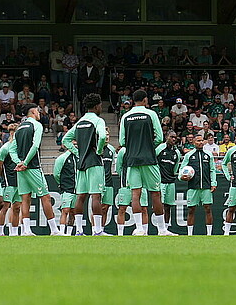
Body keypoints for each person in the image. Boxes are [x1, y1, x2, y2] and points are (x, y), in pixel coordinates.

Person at [118, 89, 168, 236]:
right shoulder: (151, 114)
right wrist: (147, 145)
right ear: (145, 100)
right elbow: (159, 137)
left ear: (133, 101)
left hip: (132, 160)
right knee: (155, 194)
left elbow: (122, 141)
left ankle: (139, 228)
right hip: (149, 159)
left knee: (135, 194)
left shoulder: (126, 116)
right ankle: (162, 229)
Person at [61, 94, 110, 237]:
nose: (101, 108)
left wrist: (78, 153)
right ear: (96, 106)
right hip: (94, 162)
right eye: (100, 105)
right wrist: (100, 150)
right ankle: (97, 230)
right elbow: (102, 137)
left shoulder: (80, 122)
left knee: (80, 197)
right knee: (96, 196)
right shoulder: (98, 120)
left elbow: (66, 139)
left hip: (81, 162)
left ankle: (79, 230)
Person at [9, 103, 60, 236]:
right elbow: (35, 145)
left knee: (25, 198)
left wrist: (18, 162)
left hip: (21, 169)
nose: (39, 113)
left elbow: (11, 149)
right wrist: (25, 162)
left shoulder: (19, 128)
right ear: (32, 112)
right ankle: (54, 230)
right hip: (33, 167)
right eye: (37, 111)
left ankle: (26, 230)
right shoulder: (37, 125)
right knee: (46, 197)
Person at [179, 131, 218, 235]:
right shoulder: (189, 155)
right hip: (193, 187)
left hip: (206, 186)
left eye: (201, 140)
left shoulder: (208, 155)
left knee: (208, 209)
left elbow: (212, 170)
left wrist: (213, 183)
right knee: (191, 210)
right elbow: (182, 169)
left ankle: (209, 234)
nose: (200, 142)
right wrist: (181, 177)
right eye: (198, 141)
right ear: (194, 142)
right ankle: (190, 234)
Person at [157, 131, 183, 232]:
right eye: (171, 137)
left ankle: (166, 228)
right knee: (161, 205)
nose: (173, 139)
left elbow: (175, 168)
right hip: (160, 182)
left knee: (168, 206)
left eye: (175, 138)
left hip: (171, 182)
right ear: (167, 137)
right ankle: (160, 228)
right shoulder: (160, 148)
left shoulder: (176, 153)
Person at [53, 146, 78, 235]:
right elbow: (56, 174)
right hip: (67, 189)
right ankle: (62, 232)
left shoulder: (79, 157)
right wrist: (63, 183)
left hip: (77, 190)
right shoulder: (62, 158)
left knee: (73, 212)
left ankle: (69, 233)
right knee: (65, 210)